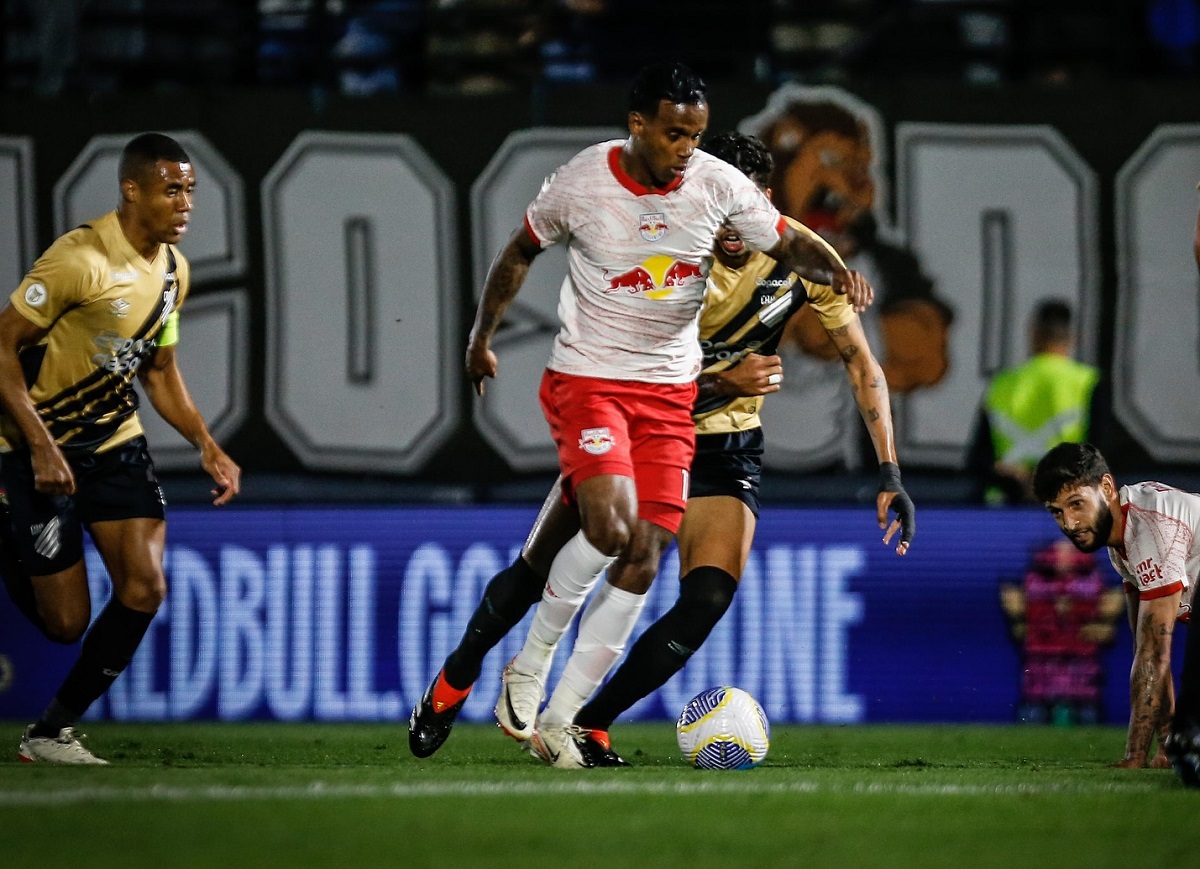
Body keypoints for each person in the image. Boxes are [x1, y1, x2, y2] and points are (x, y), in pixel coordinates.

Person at [409, 127, 914, 763]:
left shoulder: (795, 255)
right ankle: (453, 682)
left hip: (725, 448)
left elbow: (863, 365)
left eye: (748, 206)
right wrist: (726, 379)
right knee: (532, 576)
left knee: (705, 598)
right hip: (634, 429)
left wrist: (889, 470)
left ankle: (584, 725)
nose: (735, 227)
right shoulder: (665, 255)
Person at [0, 132, 241, 764]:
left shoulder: (174, 273)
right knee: (65, 625)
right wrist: (40, 445)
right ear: (131, 190)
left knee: (143, 588)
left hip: (115, 442)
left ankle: (49, 733)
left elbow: (158, 372)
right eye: (171, 189)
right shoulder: (78, 259)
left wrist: (206, 443)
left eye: (189, 190)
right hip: (36, 447)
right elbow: (1, 348)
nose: (184, 203)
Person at [1032, 442, 1196, 777]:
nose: (1070, 524)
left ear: (1106, 487)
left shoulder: (1150, 528)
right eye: (1057, 512)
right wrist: (1165, 746)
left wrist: (1134, 756)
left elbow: (1153, 655)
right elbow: (1144, 647)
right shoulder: (1120, 536)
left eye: (1077, 504)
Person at [971, 299, 1099, 504]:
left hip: (1005, 508)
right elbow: (1103, 456)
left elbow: (977, 461)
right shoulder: (1088, 383)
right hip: (1070, 508)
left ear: (1033, 334)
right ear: (1072, 338)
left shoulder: (1001, 385)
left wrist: (1018, 477)